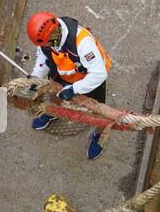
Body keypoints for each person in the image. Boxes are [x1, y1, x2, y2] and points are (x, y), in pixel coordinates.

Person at [25, 11, 112, 161]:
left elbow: (99, 74)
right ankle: (52, 113)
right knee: (54, 94)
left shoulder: (83, 43)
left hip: (88, 78)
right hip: (63, 72)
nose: (42, 46)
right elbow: (43, 55)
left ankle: (99, 135)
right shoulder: (49, 38)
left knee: (99, 112)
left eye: (44, 44)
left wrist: (74, 89)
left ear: (52, 37)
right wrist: (36, 77)